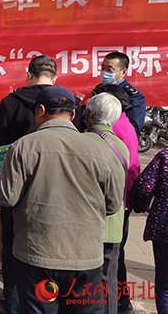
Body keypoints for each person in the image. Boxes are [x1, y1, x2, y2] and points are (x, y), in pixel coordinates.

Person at [0, 86, 124, 313]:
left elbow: (6, 196)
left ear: (40, 110)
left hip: (36, 255)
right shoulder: (102, 150)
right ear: (74, 113)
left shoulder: (23, 147)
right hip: (85, 256)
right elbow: (114, 204)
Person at [0, 55, 57, 314]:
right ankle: (44, 302)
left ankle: (13, 305)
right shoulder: (66, 103)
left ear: (29, 75)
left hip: (14, 187)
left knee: (12, 246)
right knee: (48, 248)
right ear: (55, 77)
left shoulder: (11, 102)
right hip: (53, 187)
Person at [92, 85, 141, 314]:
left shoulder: (119, 128)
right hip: (119, 202)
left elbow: (131, 170)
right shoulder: (122, 125)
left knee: (112, 261)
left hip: (116, 204)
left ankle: (121, 301)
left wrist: (127, 202)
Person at [83, 93, 129, 314]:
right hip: (111, 227)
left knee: (80, 285)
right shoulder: (121, 145)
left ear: (90, 114)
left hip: (84, 227)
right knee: (108, 283)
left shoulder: (81, 142)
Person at [131, 148, 168, 314]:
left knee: (165, 286)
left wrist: (141, 206)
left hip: (164, 229)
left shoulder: (165, 157)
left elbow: (144, 187)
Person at [94, 51, 146, 136]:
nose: (104, 72)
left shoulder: (133, 96)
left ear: (123, 72)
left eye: (110, 69)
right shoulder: (99, 88)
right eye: (103, 68)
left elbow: (134, 128)